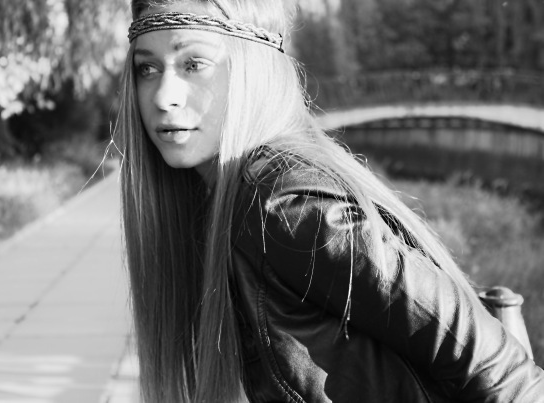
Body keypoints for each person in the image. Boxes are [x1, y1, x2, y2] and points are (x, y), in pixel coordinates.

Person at [115, 0, 544, 402]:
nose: (163, 96)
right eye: (147, 68)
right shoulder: (228, 199)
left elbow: (503, 372)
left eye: (193, 64)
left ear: (252, 68)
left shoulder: (282, 205)